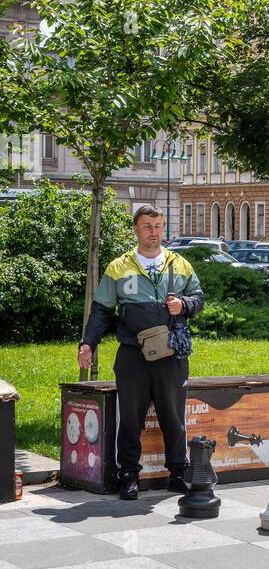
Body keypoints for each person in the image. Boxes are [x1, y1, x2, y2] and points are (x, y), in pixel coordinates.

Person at [77, 204, 204, 501]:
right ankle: (129, 476)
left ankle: (177, 473)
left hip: (171, 355)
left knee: (173, 416)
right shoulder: (119, 267)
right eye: (148, 226)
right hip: (133, 354)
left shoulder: (179, 264)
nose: (154, 232)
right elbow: (101, 311)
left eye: (158, 226)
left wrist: (184, 305)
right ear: (135, 228)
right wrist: (88, 343)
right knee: (130, 418)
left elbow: (199, 299)